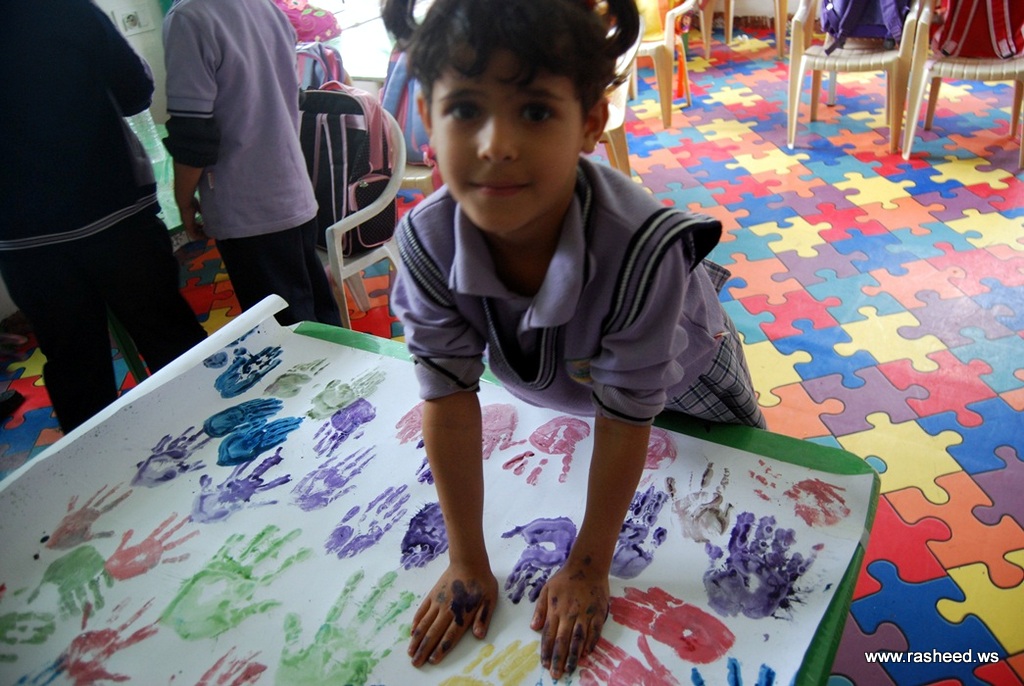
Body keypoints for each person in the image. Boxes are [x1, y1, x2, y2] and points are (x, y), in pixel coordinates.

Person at [383, 0, 766, 679]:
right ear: (426, 115)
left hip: (691, 375)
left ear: (591, 122)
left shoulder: (642, 250)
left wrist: (589, 566)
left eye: (534, 111)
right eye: (465, 108)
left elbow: (626, 420)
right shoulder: (424, 243)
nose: (495, 144)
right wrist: (467, 559)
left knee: (742, 486)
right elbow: (448, 397)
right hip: (579, 383)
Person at [0, 0, 207, 434]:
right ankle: (216, 429)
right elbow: (135, 92)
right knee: (170, 337)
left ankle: (100, 465)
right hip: (113, 213)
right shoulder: (64, 10)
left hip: (23, 238)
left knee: (75, 365)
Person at [162, 0, 342, 327]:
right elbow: (294, 97)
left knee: (285, 331)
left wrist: (184, 202)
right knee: (318, 315)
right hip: (293, 192)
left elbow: (194, 136)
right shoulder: (265, 8)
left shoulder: (189, 17)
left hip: (248, 205)